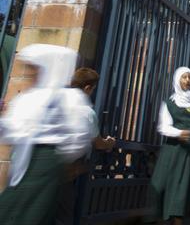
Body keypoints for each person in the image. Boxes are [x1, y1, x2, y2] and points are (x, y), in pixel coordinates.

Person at [0, 43, 93, 224]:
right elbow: (11, 131)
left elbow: (80, 136)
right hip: (23, 160)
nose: (32, 73)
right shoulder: (26, 97)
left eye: (36, 68)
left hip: (47, 161)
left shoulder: (69, 97)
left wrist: (59, 160)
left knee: (34, 216)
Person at [150, 66, 190, 225]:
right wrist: (179, 133)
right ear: (177, 80)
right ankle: (162, 216)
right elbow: (163, 127)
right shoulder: (170, 103)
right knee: (166, 182)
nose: (187, 81)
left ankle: (178, 218)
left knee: (185, 185)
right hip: (175, 150)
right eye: (184, 77)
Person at [56, 67, 116, 224]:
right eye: (93, 88)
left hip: (39, 162)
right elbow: (98, 143)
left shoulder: (56, 98)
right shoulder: (87, 111)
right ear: (88, 88)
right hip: (66, 170)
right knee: (63, 215)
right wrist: (110, 142)